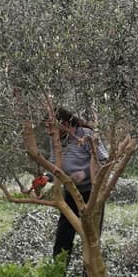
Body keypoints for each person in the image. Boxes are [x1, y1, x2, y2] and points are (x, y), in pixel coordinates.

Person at [48, 107, 108, 261]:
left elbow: (103, 160)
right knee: (63, 235)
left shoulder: (86, 135)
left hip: (92, 194)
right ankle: (58, 275)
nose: (49, 131)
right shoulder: (55, 139)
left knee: (91, 238)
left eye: (52, 127)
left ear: (66, 124)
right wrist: (44, 179)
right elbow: (54, 166)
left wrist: (86, 173)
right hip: (71, 192)